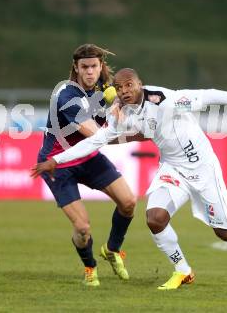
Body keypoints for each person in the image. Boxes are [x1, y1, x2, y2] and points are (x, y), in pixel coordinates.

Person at [32, 68, 227, 290]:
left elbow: (208, 95)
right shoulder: (122, 115)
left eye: (129, 85)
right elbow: (96, 141)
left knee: (224, 231)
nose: (125, 91)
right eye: (119, 88)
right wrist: (56, 160)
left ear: (140, 84)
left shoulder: (166, 100)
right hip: (172, 168)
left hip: (203, 168)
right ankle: (183, 270)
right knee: (155, 219)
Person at [35, 46, 137, 287]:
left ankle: (112, 249)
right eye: (84, 67)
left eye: (94, 66)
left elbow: (124, 109)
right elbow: (93, 133)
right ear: (76, 68)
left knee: (129, 202)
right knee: (82, 227)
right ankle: (90, 266)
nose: (90, 72)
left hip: (88, 157)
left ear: (101, 66)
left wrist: (121, 106)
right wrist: (129, 126)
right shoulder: (67, 96)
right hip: (57, 164)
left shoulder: (108, 90)